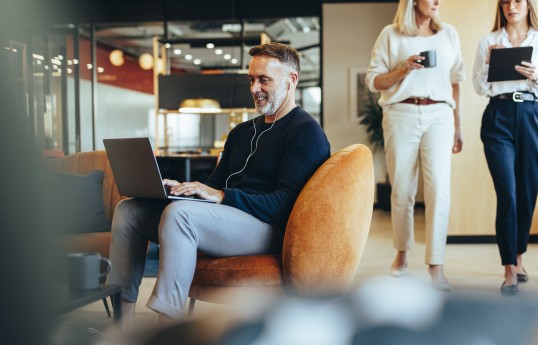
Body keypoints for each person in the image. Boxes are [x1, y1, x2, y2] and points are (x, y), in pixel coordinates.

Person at [107, 42, 331, 322]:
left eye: (264, 80)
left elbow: (285, 205)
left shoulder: (306, 133)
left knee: (180, 216)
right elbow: (215, 183)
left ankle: (169, 332)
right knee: (129, 212)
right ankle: (122, 326)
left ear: (291, 80)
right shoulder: (241, 132)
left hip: (266, 229)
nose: (254, 89)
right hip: (225, 222)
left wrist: (223, 196)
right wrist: (184, 189)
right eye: (251, 79)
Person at [365, 0, 465, 291]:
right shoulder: (391, 34)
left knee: (439, 189)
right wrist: (403, 69)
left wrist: (458, 125)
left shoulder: (449, 34)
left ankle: (436, 264)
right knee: (402, 188)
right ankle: (402, 254)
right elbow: (373, 81)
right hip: (400, 114)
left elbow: (456, 81)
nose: (437, 2)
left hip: (440, 115)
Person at [473, 0, 538, 296]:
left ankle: (520, 256)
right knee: (508, 192)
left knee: (527, 191)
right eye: (505, 1)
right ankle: (509, 268)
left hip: (531, 116)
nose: (511, 6)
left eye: (518, 0)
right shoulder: (488, 41)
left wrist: (535, 77)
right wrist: (489, 63)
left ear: (528, 5)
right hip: (498, 117)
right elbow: (478, 86)